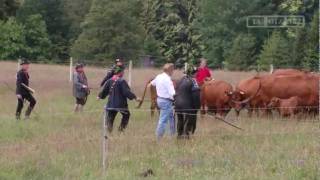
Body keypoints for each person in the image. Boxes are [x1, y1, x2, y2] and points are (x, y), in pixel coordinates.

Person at [98, 66, 140, 133]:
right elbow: (126, 92)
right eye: (123, 72)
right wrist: (135, 97)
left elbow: (104, 91)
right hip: (121, 104)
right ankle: (121, 130)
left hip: (111, 104)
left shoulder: (109, 80)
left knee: (110, 118)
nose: (123, 73)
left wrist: (99, 96)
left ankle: (109, 132)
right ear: (120, 73)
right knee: (126, 115)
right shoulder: (122, 81)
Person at [150, 63, 176, 140]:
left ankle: (172, 135)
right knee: (163, 120)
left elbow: (152, 84)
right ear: (170, 70)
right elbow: (172, 93)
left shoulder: (159, 76)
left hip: (159, 100)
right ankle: (158, 138)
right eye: (172, 70)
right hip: (166, 101)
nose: (173, 72)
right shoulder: (168, 80)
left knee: (171, 117)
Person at [175, 65, 201, 139]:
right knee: (189, 121)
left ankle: (179, 136)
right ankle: (187, 136)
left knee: (180, 121)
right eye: (196, 72)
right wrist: (197, 107)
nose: (197, 74)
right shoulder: (193, 81)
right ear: (193, 73)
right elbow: (196, 95)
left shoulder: (180, 80)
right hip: (187, 105)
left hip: (177, 105)